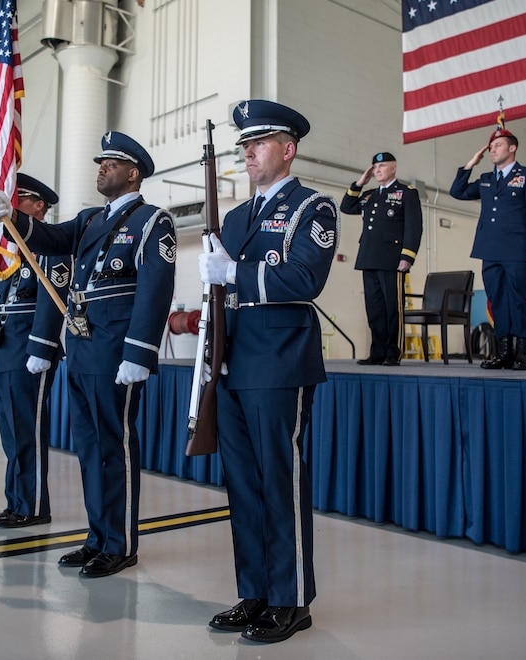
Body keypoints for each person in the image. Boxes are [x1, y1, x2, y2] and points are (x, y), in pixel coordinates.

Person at [0, 132, 176, 577]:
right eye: (100, 162)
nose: (102, 168)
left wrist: (140, 351)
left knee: (115, 446)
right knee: (90, 448)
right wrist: (11, 217)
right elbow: (49, 238)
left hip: (116, 351)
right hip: (84, 347)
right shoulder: (88, 220)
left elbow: (154, 290)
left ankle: (120, 543)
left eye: (112, 163)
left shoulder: (151, 220)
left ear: (134, 173)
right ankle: (97, 537)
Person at [198, 100, 339, 644]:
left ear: (289, 149)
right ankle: (254, 591)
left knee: (281, 481)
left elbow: (304, 279)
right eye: (244, 145)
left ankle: (291, 599)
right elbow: (220, 290)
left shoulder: (313, 208)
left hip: (280, 359)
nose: (249, 152)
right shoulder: (234, 217)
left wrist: (234, 270)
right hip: (231, 360)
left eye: (259, 143)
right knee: (244, 486)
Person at [0, 173, 70, 528]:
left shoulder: (49, 247)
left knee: (27, 433)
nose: (11, 208)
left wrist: (42, 346)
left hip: (29, 353)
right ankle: (16, 500)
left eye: (18, 202)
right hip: (5, 349)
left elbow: (53, 299)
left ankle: (33, 506)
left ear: (38, 207)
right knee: (11, 434)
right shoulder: (10, 251)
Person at [449, 127, 526, 370]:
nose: (493, 149)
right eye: (491, 147)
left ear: (512, 148)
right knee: (498, 299)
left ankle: (521, 352)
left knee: (520, 299)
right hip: (490, 249)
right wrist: (470, 164)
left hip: (518, 249)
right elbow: (457, 192)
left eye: (498, 145)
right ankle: (504, 351)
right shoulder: (486, 179)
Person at [340, 152, 422, 366]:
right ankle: (377, 352)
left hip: (392, 259)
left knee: (392, 308)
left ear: (393, 168)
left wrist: (408, 256)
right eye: (375, 167)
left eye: (382, 166)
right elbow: (346, 206)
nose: (377, 170)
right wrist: (360, 182)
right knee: (374, 308)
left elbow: (414, 227)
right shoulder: (369, 194)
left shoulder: (406, 192)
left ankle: (392, 353)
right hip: (369, 257)